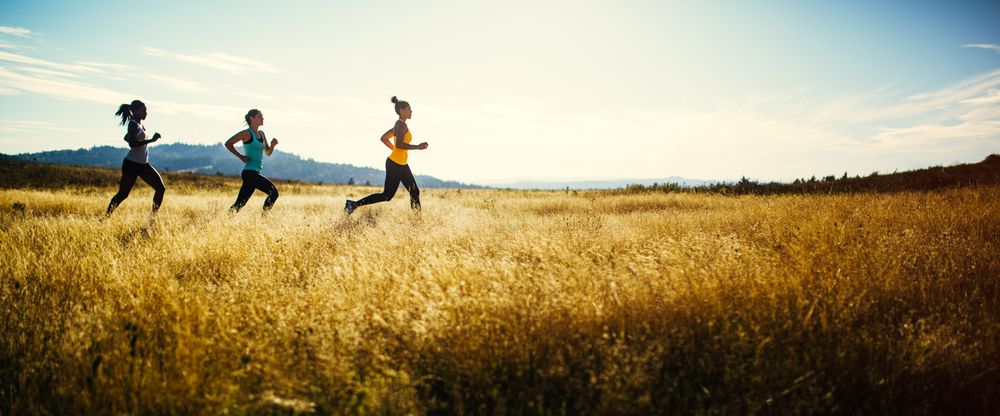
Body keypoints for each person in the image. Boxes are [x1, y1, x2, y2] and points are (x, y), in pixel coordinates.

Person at [345, 96, 428, 214]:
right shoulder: (400, 125)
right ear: (402, 110)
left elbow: (384, 138)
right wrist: (418, 147)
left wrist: (395, 149)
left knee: (414, 191)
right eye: (409, 109)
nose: (411, 111)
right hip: (395, 165)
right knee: (387, 195)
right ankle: (353, 204)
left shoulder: (399, 125)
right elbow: (399, 144)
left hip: (402, 164)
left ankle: (417, 220)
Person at [106, 100, 166, 216]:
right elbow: (132, 144)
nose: (146, 113)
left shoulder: (139, 124)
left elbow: (127, 138)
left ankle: (153, 217)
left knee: (161, 188)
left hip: (143, 164)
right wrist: (151, 140)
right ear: (135, 111)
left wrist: (139, 140)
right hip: (132, 164)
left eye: (146, 111)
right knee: (123, 194)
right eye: (143, 111)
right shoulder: (133, 124)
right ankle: (106, 217)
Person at [225, 109, 279, 213]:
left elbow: (267, 152)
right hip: (249, 173)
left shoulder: (262, 134)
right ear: (252, 118)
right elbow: (228, 143)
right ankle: (264, 218)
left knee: (240, 203)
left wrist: (272, 146)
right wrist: (241, 156)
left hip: (255, 172)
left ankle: (226, 219)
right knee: (274, 193)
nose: (262, 118)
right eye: (260, 116)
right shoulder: (246, 133)